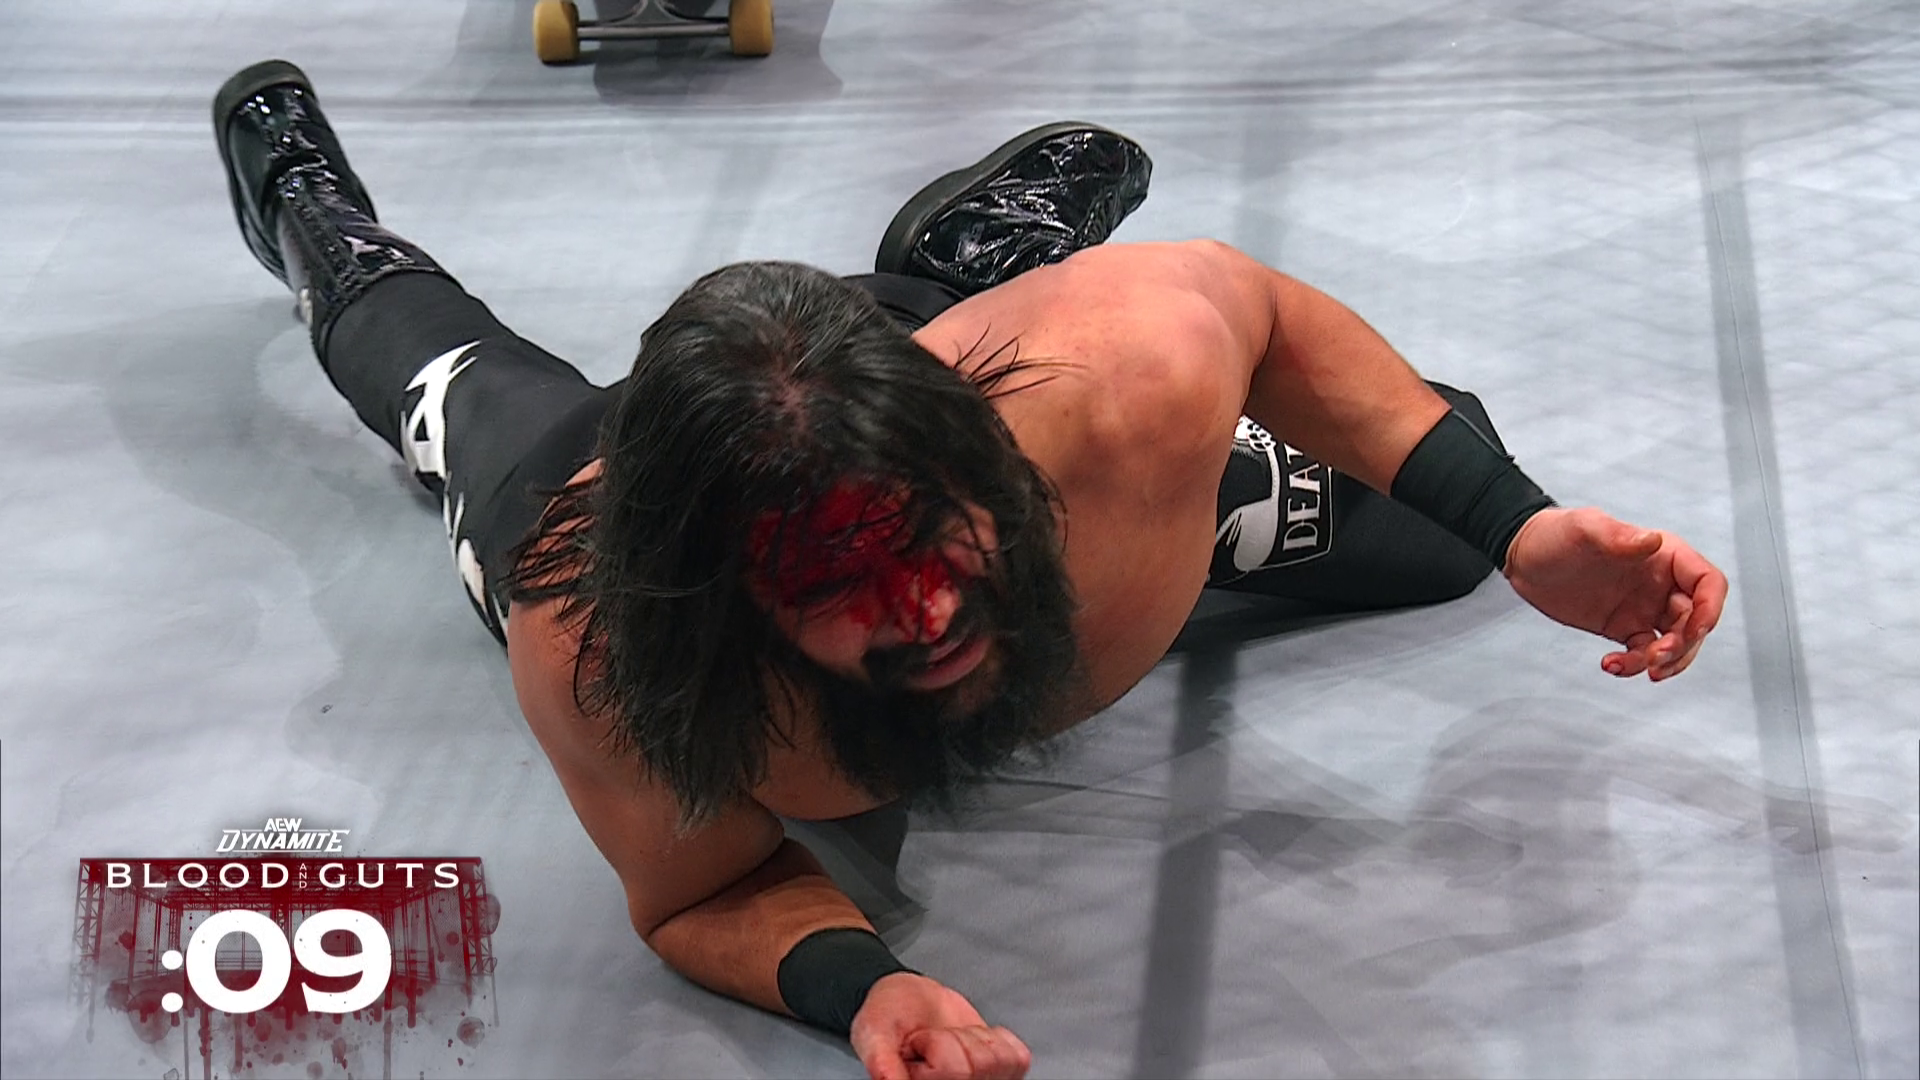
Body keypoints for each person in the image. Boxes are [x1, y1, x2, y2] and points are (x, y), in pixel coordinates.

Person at [212, 59, 1728, 1080]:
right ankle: (318, 223)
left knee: (1448, 521)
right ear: (729, 601)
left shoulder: (1117, 386)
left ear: (984, 464)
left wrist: (1519, 524)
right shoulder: (605, 639)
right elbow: (700, 894)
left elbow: (1254, 309)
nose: (926, 609)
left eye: (929, 539)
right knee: (454, 404)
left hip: (913, 379)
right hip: (603, 488)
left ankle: (968, 258)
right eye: (836, 582)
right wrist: (864, 988)